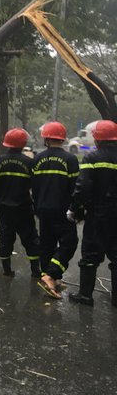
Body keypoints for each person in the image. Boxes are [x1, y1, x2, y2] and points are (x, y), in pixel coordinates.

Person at [69, 120, 117, 308]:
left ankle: (85, 296)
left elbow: (82, 188)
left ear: (97, 139)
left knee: (90, 254)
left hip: (97, 214)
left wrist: (75, 209)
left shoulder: (91, 158)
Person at [31, 122, 79, 299]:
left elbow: (34, 187)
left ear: (46, 138)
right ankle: (51, 275)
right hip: (62, 210)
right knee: (69, 243)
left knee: (47, 245)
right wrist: (76, 209)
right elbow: (75, 188)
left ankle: (50, 279)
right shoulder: (70, 159)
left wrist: (37, 206)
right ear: (63, 139)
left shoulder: (38, 159)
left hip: (43, 209)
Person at [0, 128, 40, 278]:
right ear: (23, 144)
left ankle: (7, 270)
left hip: (4, 209)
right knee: (31, 239)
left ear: (7, 144)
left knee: (5, 238)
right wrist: (37, 206)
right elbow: (36, 187)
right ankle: (36, 271)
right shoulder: (29, 162)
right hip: (24, 208)